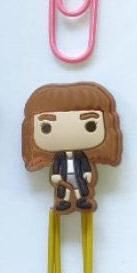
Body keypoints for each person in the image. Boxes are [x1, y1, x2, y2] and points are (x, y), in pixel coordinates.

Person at [22, 82, 122, 213]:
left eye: (90, 125)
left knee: (78, 187)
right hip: (63, 176)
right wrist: (55, 175)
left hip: (77, 175)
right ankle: (64, 202)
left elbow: (85, 163)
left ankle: (81, 200)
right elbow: (56, 165)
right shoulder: (59, 156)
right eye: (47, 127)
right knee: (65, 190)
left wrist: (87, 172)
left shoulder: (80, 155)